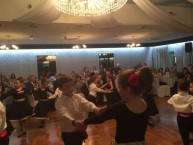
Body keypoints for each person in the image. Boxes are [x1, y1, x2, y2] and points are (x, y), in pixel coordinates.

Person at [82, 67, 153, 145]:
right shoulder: (145, 104)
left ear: (127, 90)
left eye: (119, 87)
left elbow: (100, 118)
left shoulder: (119, 108)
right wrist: (109, 108)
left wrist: (85, 122)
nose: (118, 90)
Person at [55, 74, 103, 145]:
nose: (71, 88)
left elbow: (86, 103)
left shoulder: (77, 96)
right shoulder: (59, 101)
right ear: (60, 88)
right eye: (67, 86)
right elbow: (63, 113)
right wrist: (74, 122)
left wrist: (95, 108)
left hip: (80, 129)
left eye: (72, 85)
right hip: (68, 132)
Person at [168, 79, 193, 145]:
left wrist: (178, 105)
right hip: (190, 118)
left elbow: (169, 102)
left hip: (179, 117)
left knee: (183, 133)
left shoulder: (175, 96)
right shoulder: (191, 98)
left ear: (179, 88)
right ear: (188, 88)